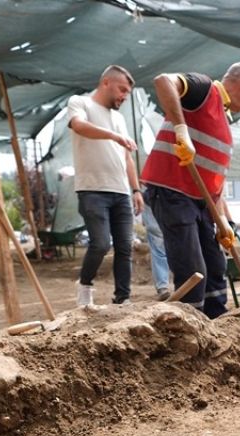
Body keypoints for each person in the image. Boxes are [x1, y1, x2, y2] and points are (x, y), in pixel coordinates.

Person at [141, 63, 240, 318]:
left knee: (216, 265)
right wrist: (180, 129)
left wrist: (224, 222)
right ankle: (190, 327)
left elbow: (214, 184)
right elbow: (163, 79)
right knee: (193, 270)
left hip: (200, 202)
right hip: (172, 192)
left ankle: (217, 321)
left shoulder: (224, 122)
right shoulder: (205, 90)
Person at [68, 65, 144, 306]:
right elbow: (78, 125)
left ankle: (123, 298)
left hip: (121, 191)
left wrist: (136, 190)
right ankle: (85, 285)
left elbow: (127, 158)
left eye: (127, 93)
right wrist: (113, 136)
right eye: (122, 90)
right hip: (92, 189)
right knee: (100, 243)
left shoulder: (119, 118)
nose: (124, 96)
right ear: (105, 83)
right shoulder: (80, 103)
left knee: (125, 247)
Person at [141, 201, 172, 300]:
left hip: (174, 192)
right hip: (149, 192)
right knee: (157, 237)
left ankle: (164, 286)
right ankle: (163, 286)